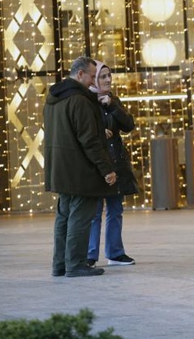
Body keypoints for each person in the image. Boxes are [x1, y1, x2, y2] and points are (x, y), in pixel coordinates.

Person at [44, 56, 117, 277]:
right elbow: (90, 140)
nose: (94, 81)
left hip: (60, 169)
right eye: (92, 76)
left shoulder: (53, 99)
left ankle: (60, 264)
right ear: (80, 74)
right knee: (80, 217)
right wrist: (107, 169)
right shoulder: (80, 100)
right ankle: (75, 264)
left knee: (64, 217)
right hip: (80, 170)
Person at [87, 60, 139, 267]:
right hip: (97, 165)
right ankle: (90, 255)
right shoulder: (87, 101)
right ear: (94, 79)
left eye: (109, 76)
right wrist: (100, 131)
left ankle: (115, 253)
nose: (108, 80)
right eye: (103, 76)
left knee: (116, 209)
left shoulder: (113, 100)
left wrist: (113, 106)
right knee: (94, 212)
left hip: (116, 162)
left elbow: (128, 125)